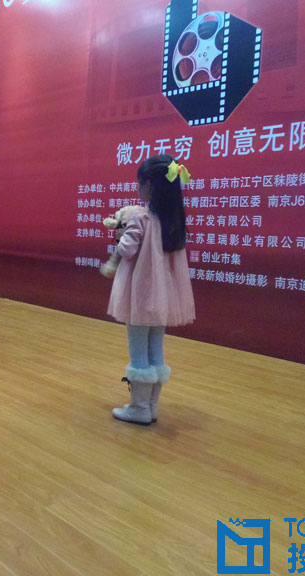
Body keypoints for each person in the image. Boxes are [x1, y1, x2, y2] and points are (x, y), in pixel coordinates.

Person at [107, 154, 196, 425]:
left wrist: (119, 236)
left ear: (148, 184)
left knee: (138, 351)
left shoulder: (141, 217)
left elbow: (127, 250)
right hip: (164, 296)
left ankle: (139, 408)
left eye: (139, 183)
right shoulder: (174, 221)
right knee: (156, 349)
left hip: (140, 294)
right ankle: (151, 406)